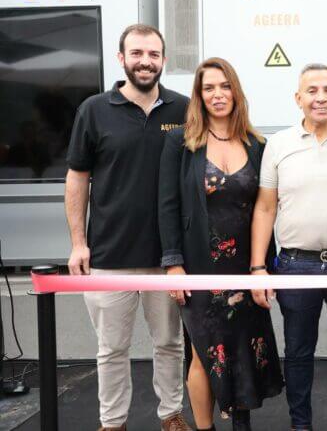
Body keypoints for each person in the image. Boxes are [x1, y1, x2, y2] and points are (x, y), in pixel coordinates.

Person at [65, 24, 191, 431]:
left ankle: (171, 415)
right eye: (137, 53)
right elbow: (77, 177)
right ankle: (112, 422)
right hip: (108, 256)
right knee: (111, 349)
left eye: (153, 54)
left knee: (170, 344)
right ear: (121, 58)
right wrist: (79, 243)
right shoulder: (94, 110)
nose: (145, 62)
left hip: (167, 258)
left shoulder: (183, 109)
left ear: (163, 60)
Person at [158, 58, 284, 430]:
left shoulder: (257, 144)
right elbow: (167, 204)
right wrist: (173, 263)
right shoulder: (180, 142)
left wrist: (264, 268)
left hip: (246, 265)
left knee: (243, 348)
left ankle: (241, 425)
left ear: (236, 92)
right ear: (199, 96)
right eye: (209, 88)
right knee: (203, 352)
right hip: (199, 266)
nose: (218, 94)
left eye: (225, 86)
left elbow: (266, 208)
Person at [250, 63, 327, 431]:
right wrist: (258, 268)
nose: (321, 98)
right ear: (298, 98)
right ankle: (300, 424)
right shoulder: (278, 144)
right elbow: (265, 207)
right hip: (295, 265)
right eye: (312, 91)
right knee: (298, 351)